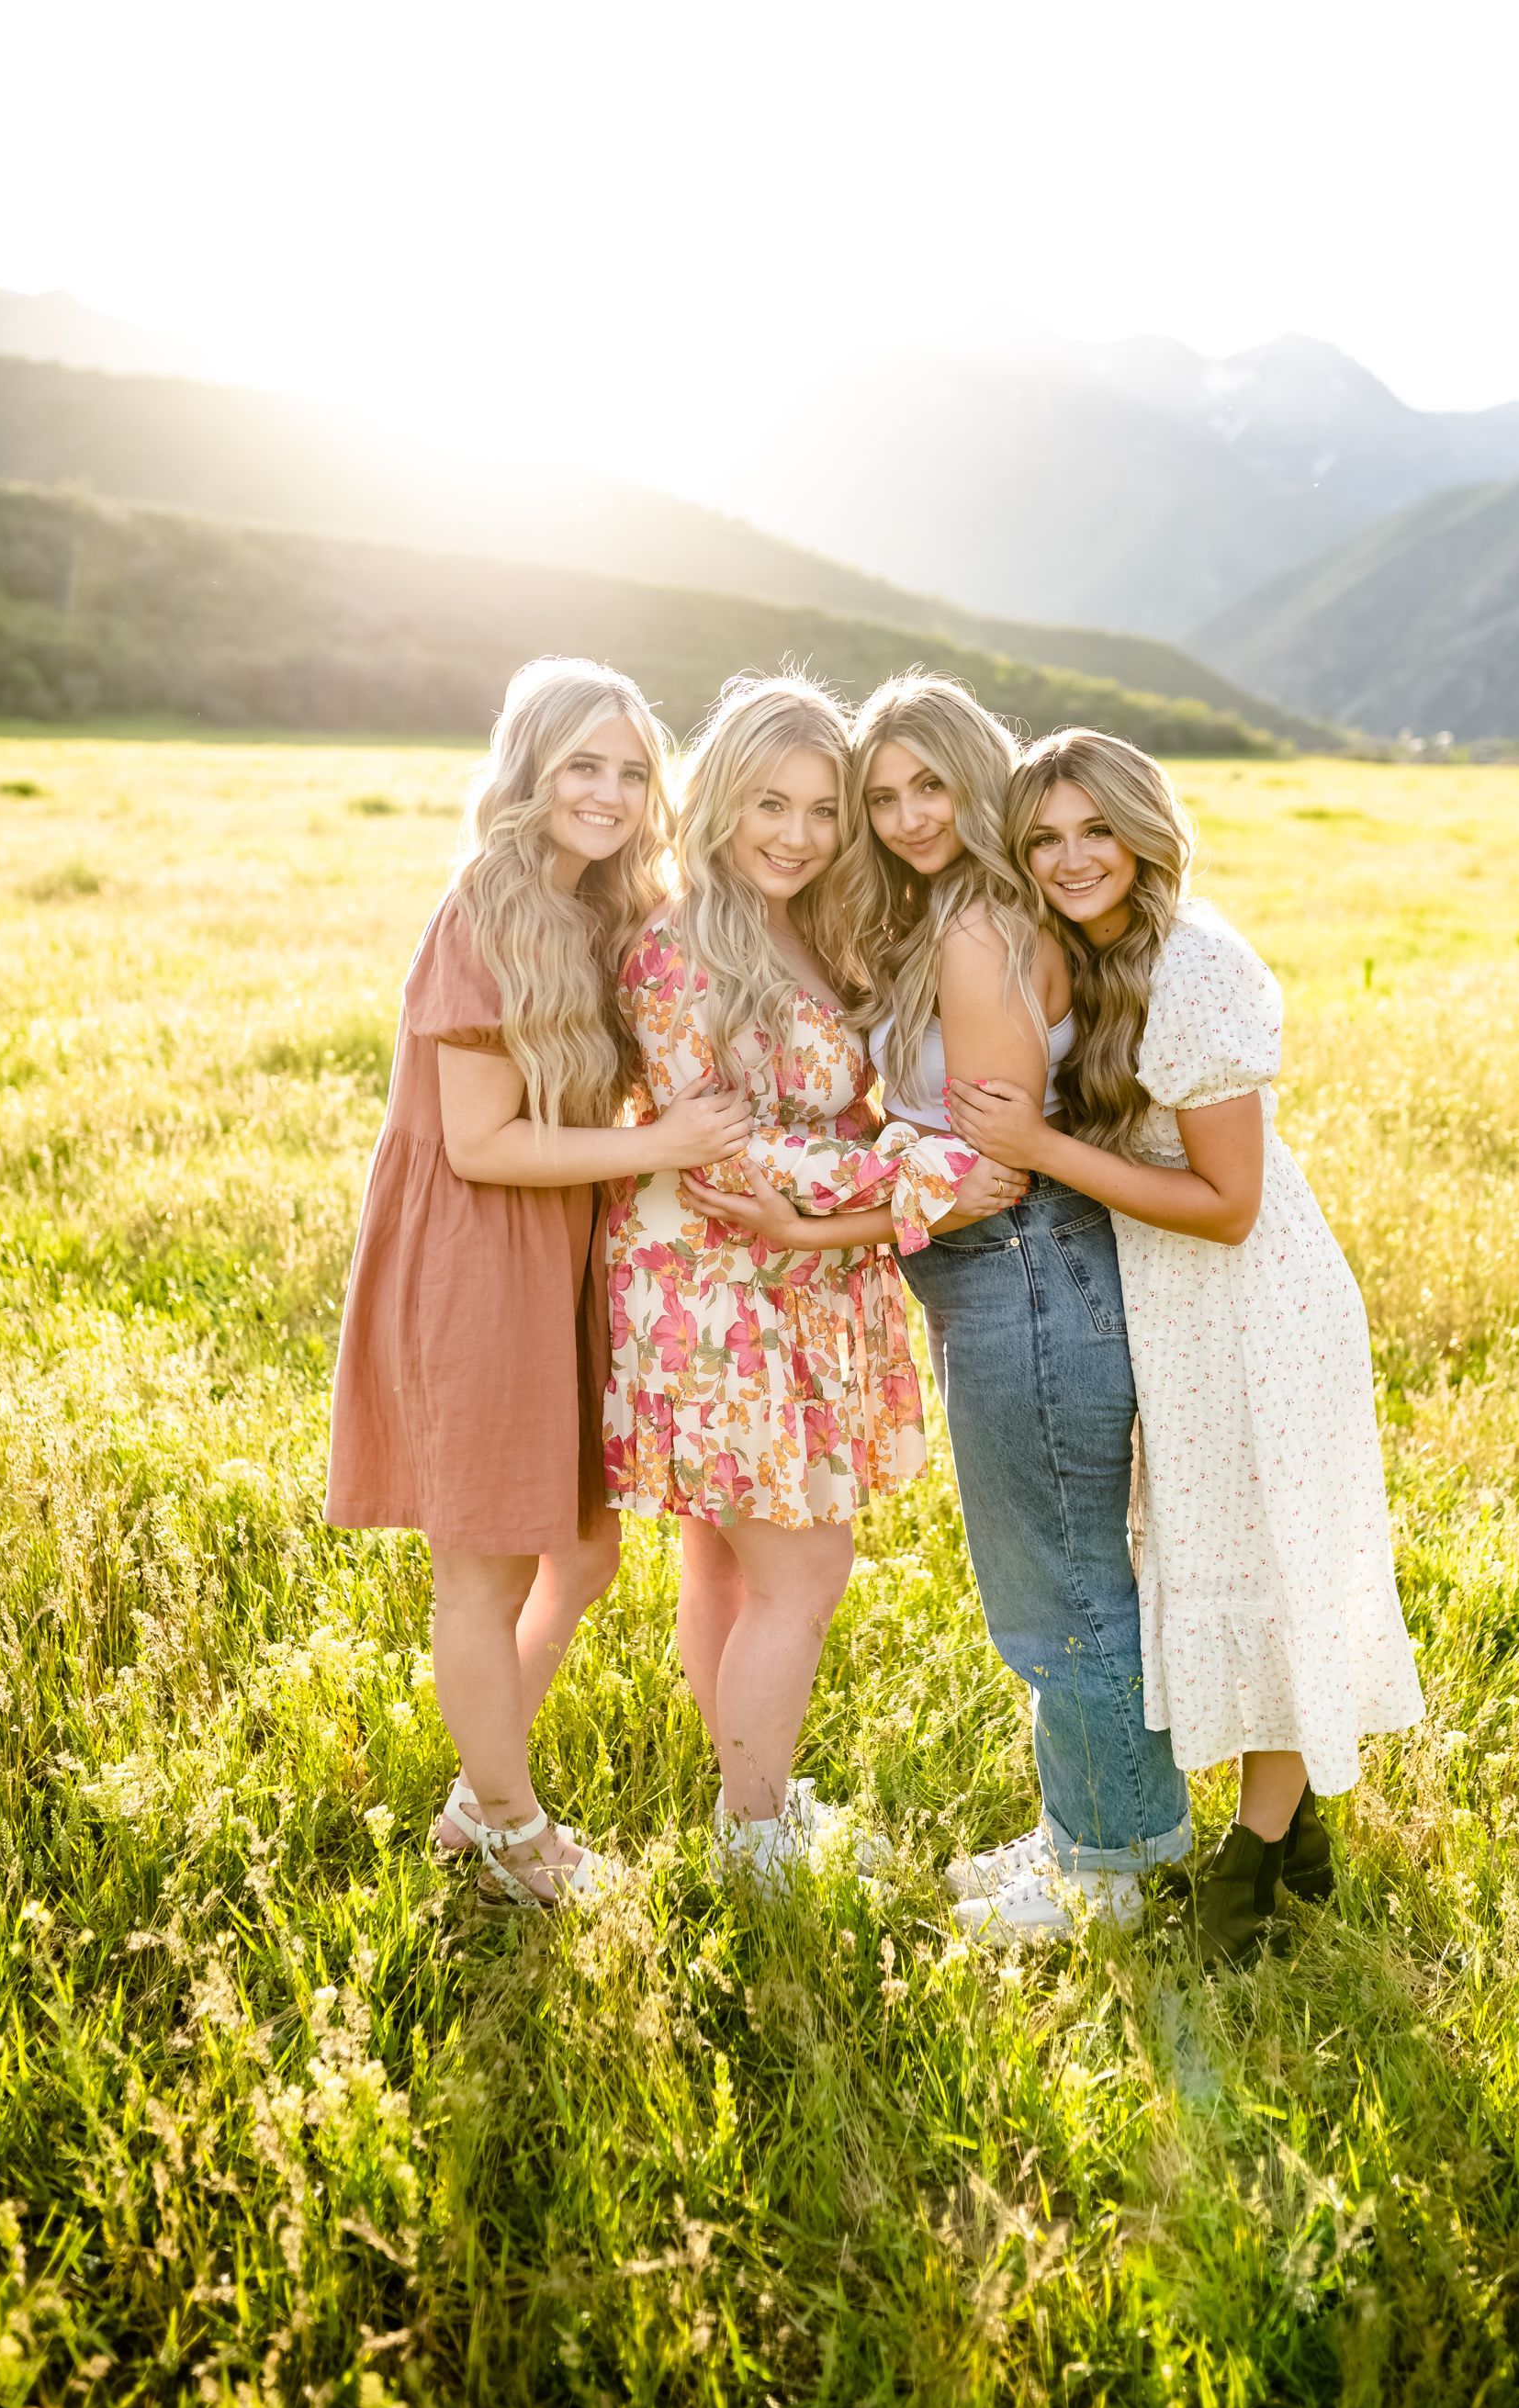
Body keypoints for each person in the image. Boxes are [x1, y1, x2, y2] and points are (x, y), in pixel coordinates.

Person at [689, 672, 1193, 1944]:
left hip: (1023, 1265)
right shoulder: (956, 913)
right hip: (1010, 1277)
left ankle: (1111, 1866)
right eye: (886, 794)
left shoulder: (976, 930)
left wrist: (816, 1225)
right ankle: (1100, 1825)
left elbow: (993, 1174)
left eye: (933, 785)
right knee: (1055, 1569)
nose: (910, 815)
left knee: (1060, 1587)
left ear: (981, 777)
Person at [948, 728, 1425, 1967]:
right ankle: (1296, 1829)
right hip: (1179, 1310)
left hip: (1254, 1308)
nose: (1069, 857)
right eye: (1044, 837)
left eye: (1093, 829)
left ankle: (1244, 1880)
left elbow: (1228, 1202)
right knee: (1222, 1558)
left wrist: (1044, 1150)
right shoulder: (1091, 957)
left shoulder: (1195, 966)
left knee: (1272, 1568)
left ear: (1141, 828)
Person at [325, 656, 751, 1907]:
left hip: (560, 1242)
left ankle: (479, 1790)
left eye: (631, 771)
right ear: (529, 768)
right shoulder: (486, 910)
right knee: (489, 1563)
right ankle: (508, 1829)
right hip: (474, 1248)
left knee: (583, 1547)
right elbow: (477, 1143)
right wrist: (661, 1146)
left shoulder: (597, 908)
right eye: (583, 765)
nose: (610, 792)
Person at [606, 672, 1015, 1888]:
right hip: (717, 1289)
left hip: (791, 1277)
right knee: (800, 1566)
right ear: (718, 799)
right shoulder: (679, 943)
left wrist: (874, 1170)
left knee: (729, 1560)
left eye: (820, 808)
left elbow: (816, 1112)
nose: (794, 833)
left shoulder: (809, 923)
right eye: (766, 804)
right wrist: (917, 1172)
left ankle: (752, 1800)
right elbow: (724, 1140)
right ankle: (756, 1836)